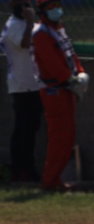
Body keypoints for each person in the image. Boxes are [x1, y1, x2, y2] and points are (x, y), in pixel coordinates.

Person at [28, 0, 82, 192]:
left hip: (66, 87)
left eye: (57, 6)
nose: (57, 10)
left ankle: (55, 177)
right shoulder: (41, 33)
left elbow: (70, 54)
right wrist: (70, 78)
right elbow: (51, 63)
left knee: (67, 135)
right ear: (42, 12)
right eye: (51, 7)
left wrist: (80, 72)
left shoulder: (58, 29)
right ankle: (50, 180)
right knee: (60, 135)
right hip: (55, 89)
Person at [3, 0, 42, 183]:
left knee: (32, 129)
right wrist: (29, 22)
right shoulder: (14, 25)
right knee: (23, 130)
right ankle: (20, 170)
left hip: (35, 83)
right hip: (22, 85)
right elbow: (25, 43)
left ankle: (28, 168)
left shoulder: (31, 24)